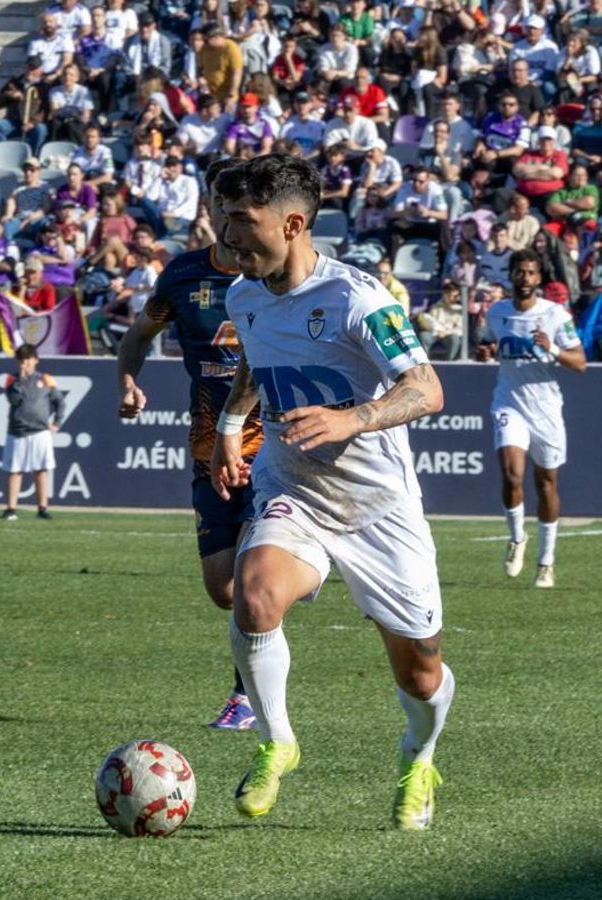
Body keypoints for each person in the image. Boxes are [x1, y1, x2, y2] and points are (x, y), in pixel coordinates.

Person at [210, 153, 451, 831]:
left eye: (242, 219)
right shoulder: (243, 295)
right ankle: (277, 742)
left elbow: (427, 388)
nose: (227, 234)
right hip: (294, 488)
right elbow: (254, 362)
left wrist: (353, 419)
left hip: (378, 507)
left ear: (292, 224)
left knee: (421, 672)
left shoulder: (358, 299)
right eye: (223, 216)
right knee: (254, 595)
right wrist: (229, 427)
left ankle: (418, 757)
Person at [117, 158, 262, 731]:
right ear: (209, 209)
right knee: (223, 589)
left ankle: (245, 697)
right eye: (219, 206)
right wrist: (129, 381)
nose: (228, 219)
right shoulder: (181, 276)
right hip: (208, 452)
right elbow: (138, 336)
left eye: (238, 209)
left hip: (272, 451)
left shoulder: (277, 277)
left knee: (253, 585)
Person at [475, 249, 587, 588]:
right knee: (512, 474)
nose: (525, 279)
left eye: (531, 273)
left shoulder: (554, 314)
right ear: (510, 275)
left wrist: (551, 348)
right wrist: (485, 352)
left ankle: (546, 562)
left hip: (546, 408)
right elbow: (487, 345)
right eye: (519, 272)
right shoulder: (497, 312)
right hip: (509, 402)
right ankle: (517, 538)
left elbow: (580, 362)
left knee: (546, 483)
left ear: (539, 278)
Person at [0, 343, 64, 521]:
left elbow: (60, 402)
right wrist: (20, 380)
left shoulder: (46, 379)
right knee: (15, 471)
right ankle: (11, 509)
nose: (24, 363)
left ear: (36, 360)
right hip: (18, 431)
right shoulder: (11, 380)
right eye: (21, 360)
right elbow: (14, 400)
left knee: (40, 470)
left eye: (27, 359)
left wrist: (56, 423)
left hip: (40, 432)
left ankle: (42, 508)